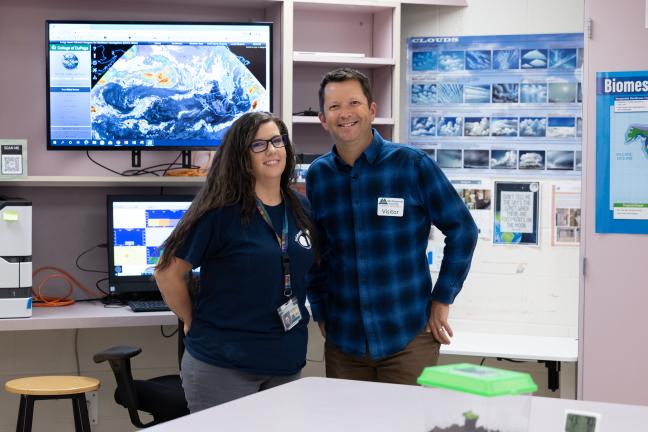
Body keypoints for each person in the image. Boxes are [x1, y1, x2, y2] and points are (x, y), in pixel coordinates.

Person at [305, 68, 478, 385]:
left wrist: (443, 298)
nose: (345, 114)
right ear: (323, 119)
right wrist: (319, 310)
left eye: (354, 102)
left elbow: (463, 230)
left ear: (372, 110)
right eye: (334, 107)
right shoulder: (318, 175)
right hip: (345, 343)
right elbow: (317, 250)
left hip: (409, 337)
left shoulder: (411, 164)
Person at [154, 111, 317, 412]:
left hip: (285, 360)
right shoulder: (219, 211)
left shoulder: (301, 207)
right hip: (224, 365)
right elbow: (167, 273)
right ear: (241, 156)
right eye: (258, 145)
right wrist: (190, 318)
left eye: (277, 141)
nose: (271, 150)